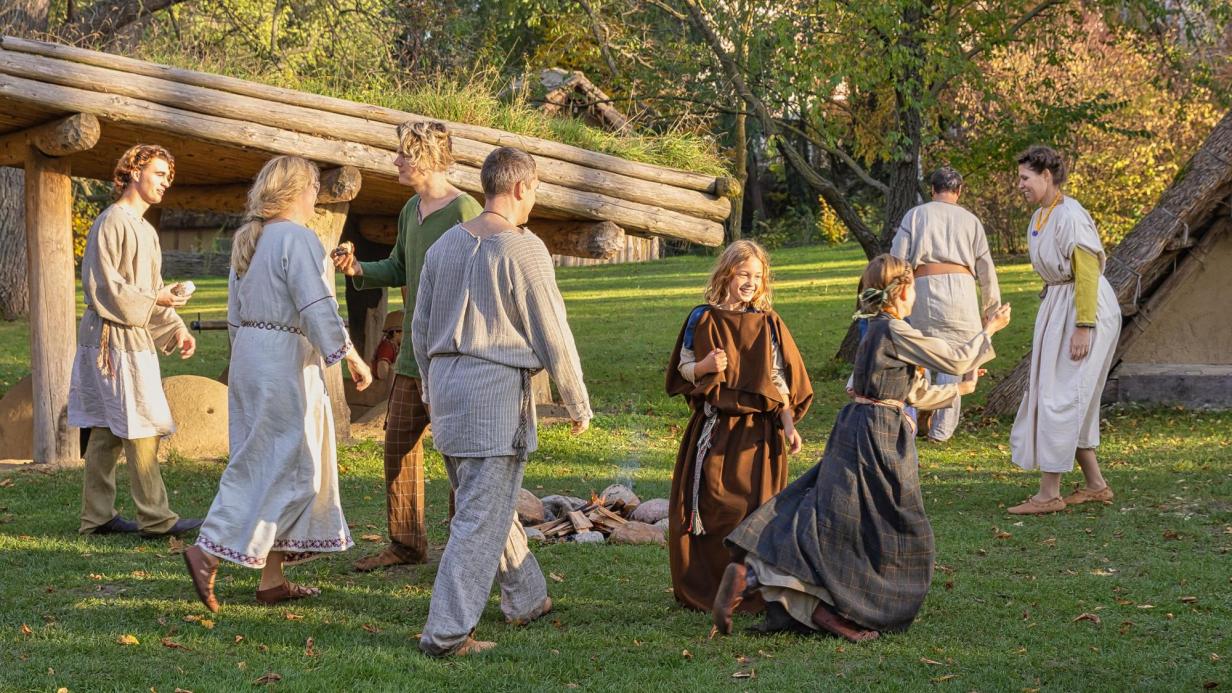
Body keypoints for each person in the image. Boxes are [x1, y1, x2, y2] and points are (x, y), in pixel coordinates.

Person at [711, 255, 1012, 641]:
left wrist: (961, 388)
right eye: (914, 288)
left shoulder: (873, 329)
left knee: (833, 513)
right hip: (879, 436)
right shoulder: (896, 331)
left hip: (857, 426)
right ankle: (844, 607)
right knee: (885, 523)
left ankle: (755, 575)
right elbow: (955, 357)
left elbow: (908, 391)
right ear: (902, 290)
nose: (915, 295)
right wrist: (990, 328)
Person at [413, 146, 591, 657]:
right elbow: (553, 331)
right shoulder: (523, 247)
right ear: (519, 188)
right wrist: (576, 401)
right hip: (492, 397)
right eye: (534, 190)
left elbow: (420, 332)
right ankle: (446, 634)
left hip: (447, 392)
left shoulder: (444, 245)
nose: (534, 200)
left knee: (485, 503)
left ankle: (527, 596)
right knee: (478, 518)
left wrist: (430, 388)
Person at [183, 156, 373, 613]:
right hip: (282, 360)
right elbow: (316, 305)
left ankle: (271, 579)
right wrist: (351, 355)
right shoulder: (297, 238)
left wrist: (250, 352)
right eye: (313, 188)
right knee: (286, 464)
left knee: (269, 456)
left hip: (252, 354)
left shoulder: (252, 239)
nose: (316, 197)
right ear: (296, 191)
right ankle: (209, 550)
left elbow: (234, 314)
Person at [333, 121, 483, 572]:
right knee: (398, 446)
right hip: (412, 358)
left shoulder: (465, 210)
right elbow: (400, 266)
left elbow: (479, 283)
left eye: (403, 154)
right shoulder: (410, 209)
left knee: (459, 455)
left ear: (427, 157)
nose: (396, 161)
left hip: (453, 359)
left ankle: (463, 547)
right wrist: (359, 269)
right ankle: (406, 544)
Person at [665, 240, 813, 613]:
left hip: (759, 436)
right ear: (727, 272)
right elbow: (683, 368)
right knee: (714, 511)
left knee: (755, 511)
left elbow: (779, 383)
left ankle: (751, 590)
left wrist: (789, 425)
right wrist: (705, 367)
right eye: (744, 273)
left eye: (758, 276)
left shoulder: (769, 323)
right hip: (715, 431)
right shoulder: (702, 318)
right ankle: (711, 588)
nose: (751, 281)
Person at [69, 144, 202, 538]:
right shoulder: (112, 221)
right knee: (138, 422)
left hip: (134, 334)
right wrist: (154, 298)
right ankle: (157, 520)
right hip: (111, 339)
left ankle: (96, 518)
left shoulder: (145, 229)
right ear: (134, 170)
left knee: (109, 429)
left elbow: (150, 289)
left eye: (168, 178)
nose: (166, 183)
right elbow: (105, 287)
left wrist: (175, 326)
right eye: (159, 174)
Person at [1007, 145, 1121, 515]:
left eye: (1025, 178)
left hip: (1084, 309)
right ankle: (1095, 485)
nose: (1019, 185)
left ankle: (1049, 493)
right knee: (1062, 393)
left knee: (1063, 394)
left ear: (1047, 176)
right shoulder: (1041, 216)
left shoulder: (1070, 215)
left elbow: (1087, 272)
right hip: (1060, 305)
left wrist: (1083, 326)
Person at [891, 166, 1001, 441]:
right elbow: (986, 267)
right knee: (956, 359)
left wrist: (893, 297)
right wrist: (991, 309)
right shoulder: (971, 220)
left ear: (932, 190)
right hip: (962, 292)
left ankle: (916, 416)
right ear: (959, 191)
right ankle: (941, 430)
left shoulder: (916, 215)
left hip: (924, 289)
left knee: (920, 354)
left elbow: (897, 258)